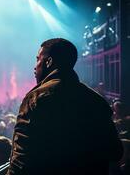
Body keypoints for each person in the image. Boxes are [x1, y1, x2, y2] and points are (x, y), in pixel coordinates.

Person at [8, 38, 123, 175]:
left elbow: (20, 161)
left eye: (38, 59)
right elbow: (115, 152)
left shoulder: (36, 98)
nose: (35, 66)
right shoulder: (96, 100)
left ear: (48, 61)